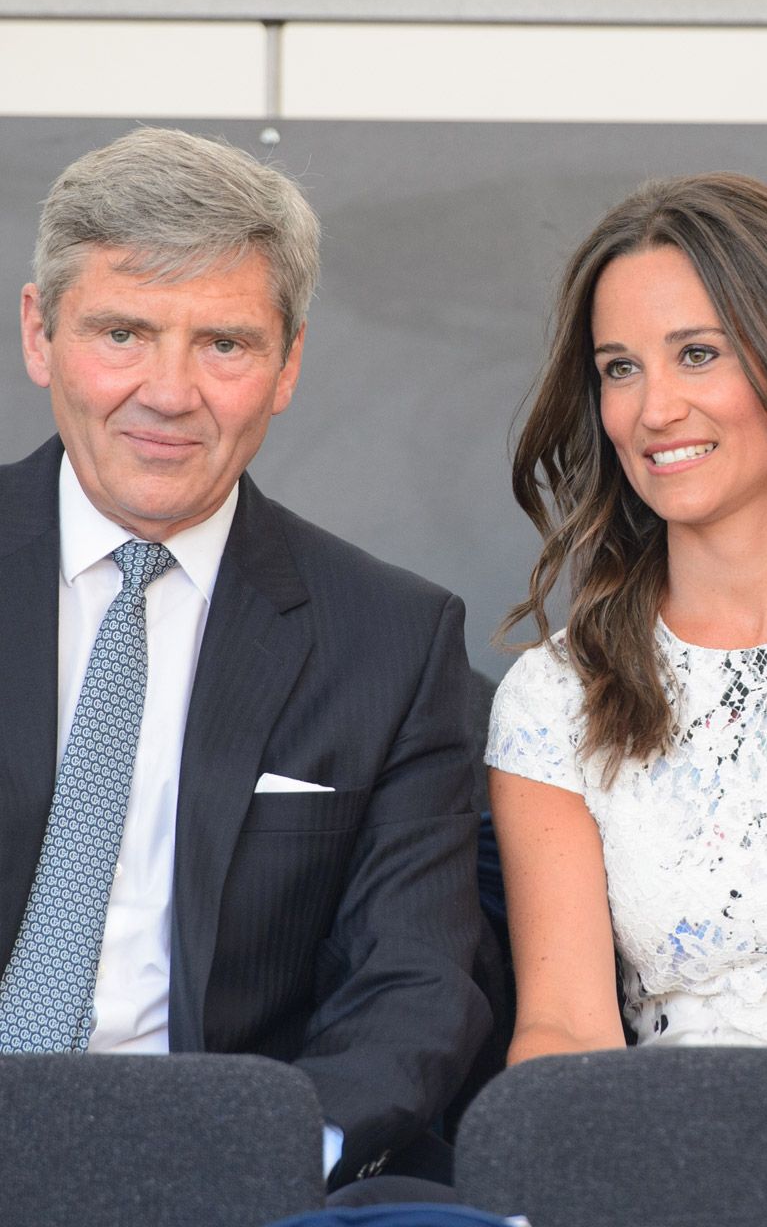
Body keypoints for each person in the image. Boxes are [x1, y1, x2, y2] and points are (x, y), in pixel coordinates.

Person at [0, 126, 490, 1194]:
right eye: (122, 331)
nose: (170, 392)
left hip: (230, 1175)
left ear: (287, 364)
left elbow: (411, 988)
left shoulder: (392, 640)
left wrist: (260, 1163)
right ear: (38, 333)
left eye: (223, 343)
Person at [486, 172, 767, 1060]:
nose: (653, 410)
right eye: (620, 369)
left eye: (698, 354)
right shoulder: (558, 698)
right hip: (688, 1165)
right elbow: (564, 1029)